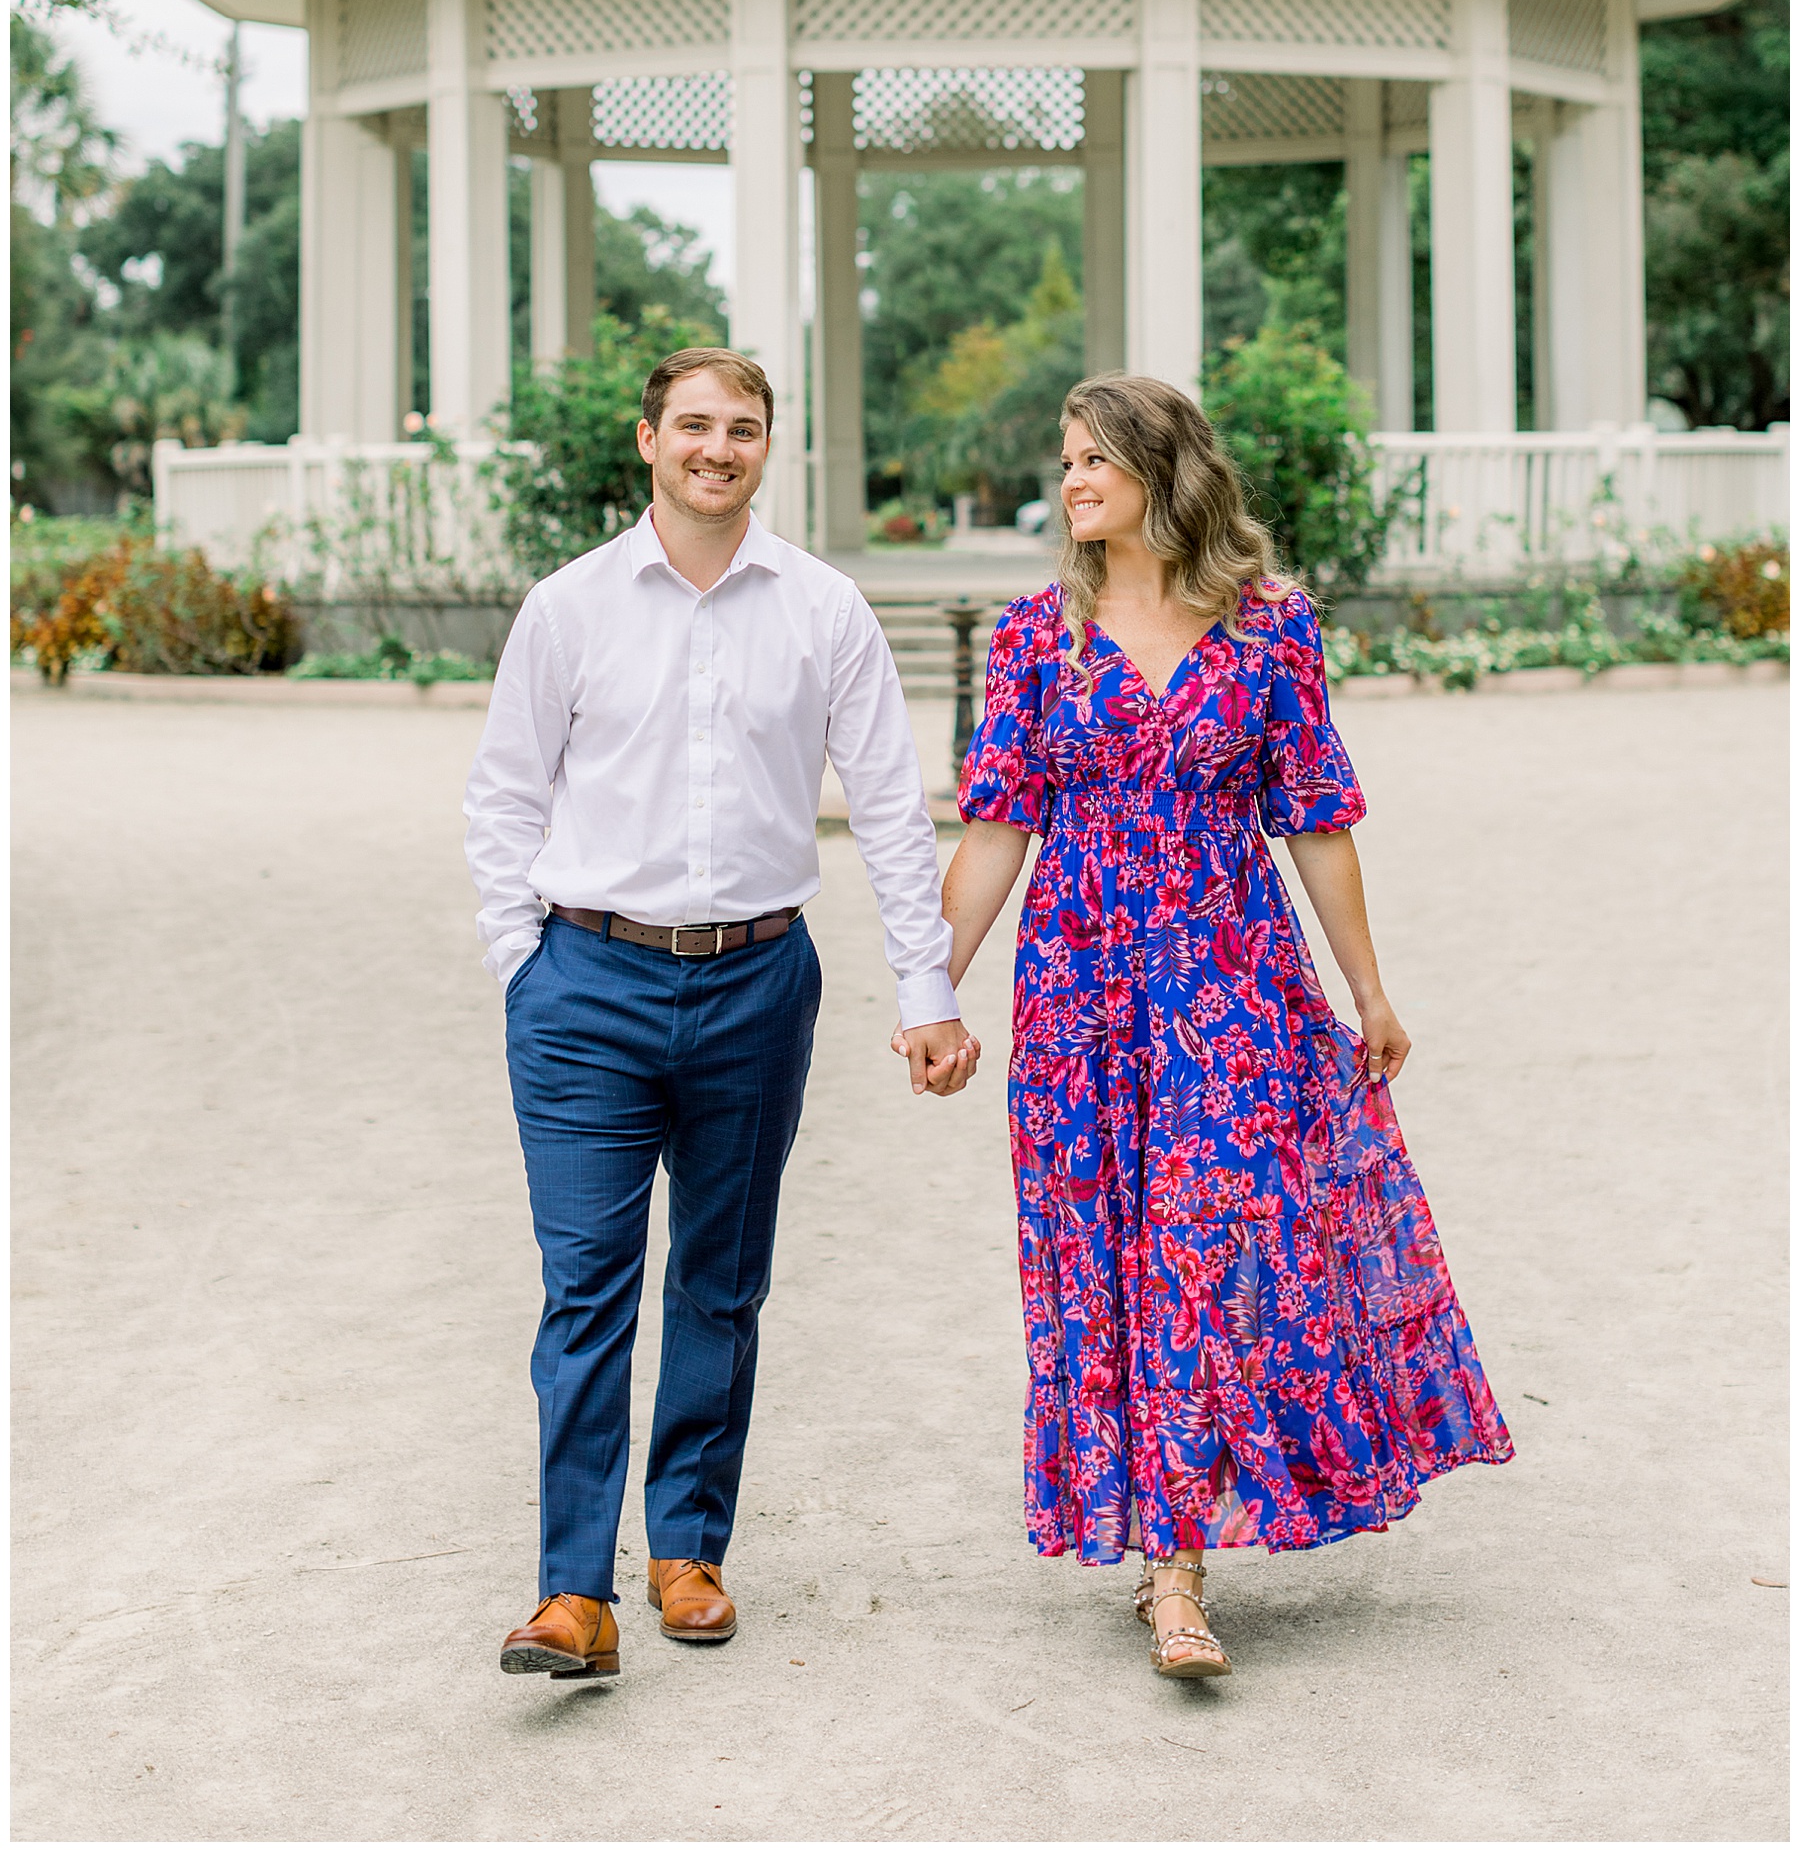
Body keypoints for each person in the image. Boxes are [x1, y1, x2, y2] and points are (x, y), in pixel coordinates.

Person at [927, 372, 1512, 1679]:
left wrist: (1369, 989)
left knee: (1204, 1260)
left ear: (1162, 469)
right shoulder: (1036, 636)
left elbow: (1315, 812)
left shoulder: (1267, 631)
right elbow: (994, 830)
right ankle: (1159, 1547)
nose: (1070, 480)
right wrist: (932, 985)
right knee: (1101, 1268)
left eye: (1093, 459)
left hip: (1232, 995)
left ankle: (1179, 1569)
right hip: (1079, 1008)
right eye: (1064, 460)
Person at [465, 346, 978, 1682]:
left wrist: (928, 987)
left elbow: (890, 809)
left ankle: (686, 1546)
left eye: (741, 428)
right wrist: (522, 961)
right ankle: (572, 1590)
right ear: (648, 439)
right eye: (692, 424)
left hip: (758, 981)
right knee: (586, 1285)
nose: (716, 447)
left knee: (720, 1275)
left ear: (766, 448)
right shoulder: (570, 608)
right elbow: (504, 794)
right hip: (586, 986)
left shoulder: (822, 610)